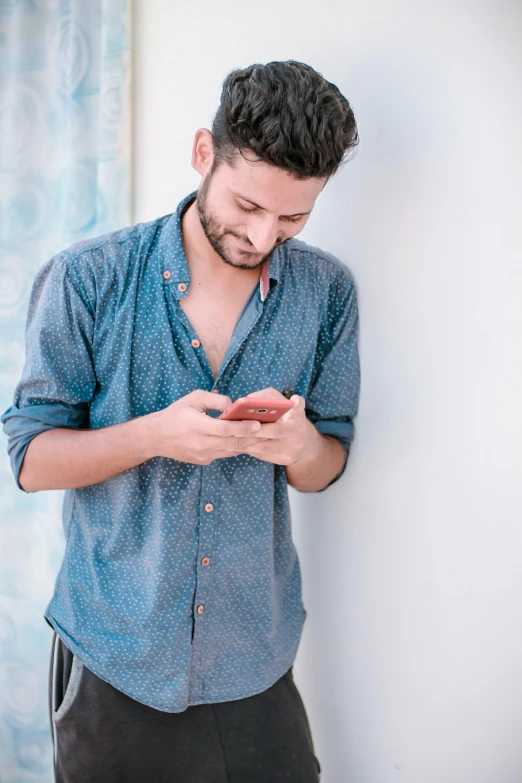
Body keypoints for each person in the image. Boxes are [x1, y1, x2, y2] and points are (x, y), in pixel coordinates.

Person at [1, 59, 360, 782]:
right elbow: (30, 458)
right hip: (115, 656)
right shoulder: (88, 278)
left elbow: (327, 464)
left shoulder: (327, 291)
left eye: (293, 216)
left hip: (256, 659)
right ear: (204, 152)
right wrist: (154, 436)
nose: (263, 235)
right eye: (247, 205)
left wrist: (300, 445)